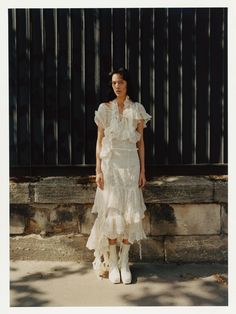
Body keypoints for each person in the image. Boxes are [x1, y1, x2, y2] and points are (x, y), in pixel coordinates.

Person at [86, 68, 152, 284]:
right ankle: (112, 261)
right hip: (111, 165)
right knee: (113, 212)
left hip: (131, 165)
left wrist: (142, 170)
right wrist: (97, 170)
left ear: (127, 84)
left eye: (121, 82)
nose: (117, 86)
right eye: (114, 82)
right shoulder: (104, 110)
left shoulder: (138, 109)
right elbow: (99, 141)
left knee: (128, 212)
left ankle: (125, 261)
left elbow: (141, 143)